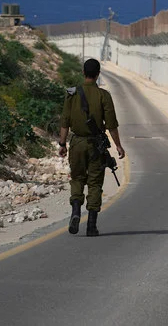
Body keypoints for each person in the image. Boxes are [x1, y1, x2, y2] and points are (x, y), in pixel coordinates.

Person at [58, 58, 125, 237]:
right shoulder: (104, 96)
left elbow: (64, 121)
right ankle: (91, 226)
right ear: (98, 74)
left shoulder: (71, 94)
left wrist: (62, 144)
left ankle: (75, 212)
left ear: (83, 73)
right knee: (95, 182)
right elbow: (111, 124)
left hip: (77, 143)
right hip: (96, 145)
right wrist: (118, 146)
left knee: (77, 178)